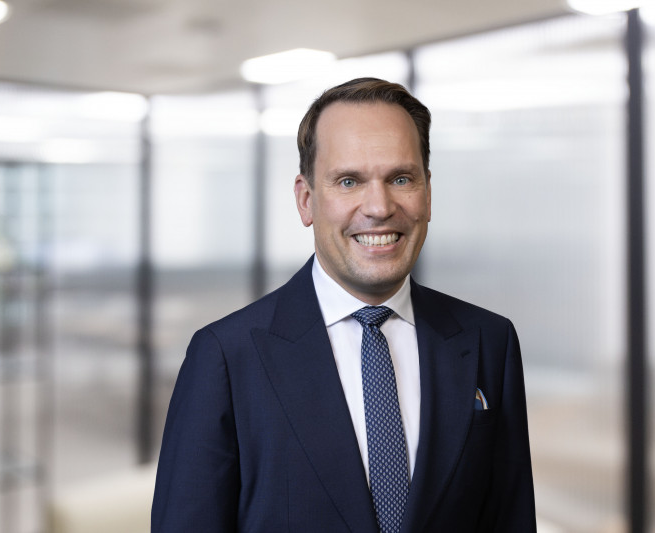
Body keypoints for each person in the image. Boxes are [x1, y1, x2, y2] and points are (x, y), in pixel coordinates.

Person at [152, 77, 535, 532]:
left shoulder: (490, 341)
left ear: (428, 193)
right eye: (349, 181)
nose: (379, 207)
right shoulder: (225, 357)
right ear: (306, 199)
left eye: (401, 179)